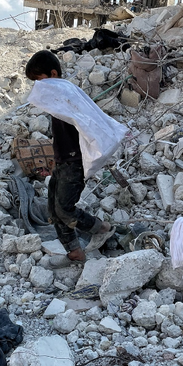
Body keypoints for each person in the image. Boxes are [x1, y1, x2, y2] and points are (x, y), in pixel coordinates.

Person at [25, 50, 114, 262]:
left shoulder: (67, 94)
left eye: (40, 80)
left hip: (74, 162)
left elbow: (88, 122)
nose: (38, 87)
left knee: (65, 209)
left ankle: (102, 228)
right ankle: (75, 252)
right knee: (54, 210)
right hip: (62, 160)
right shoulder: (58, 97)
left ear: (53, 73)